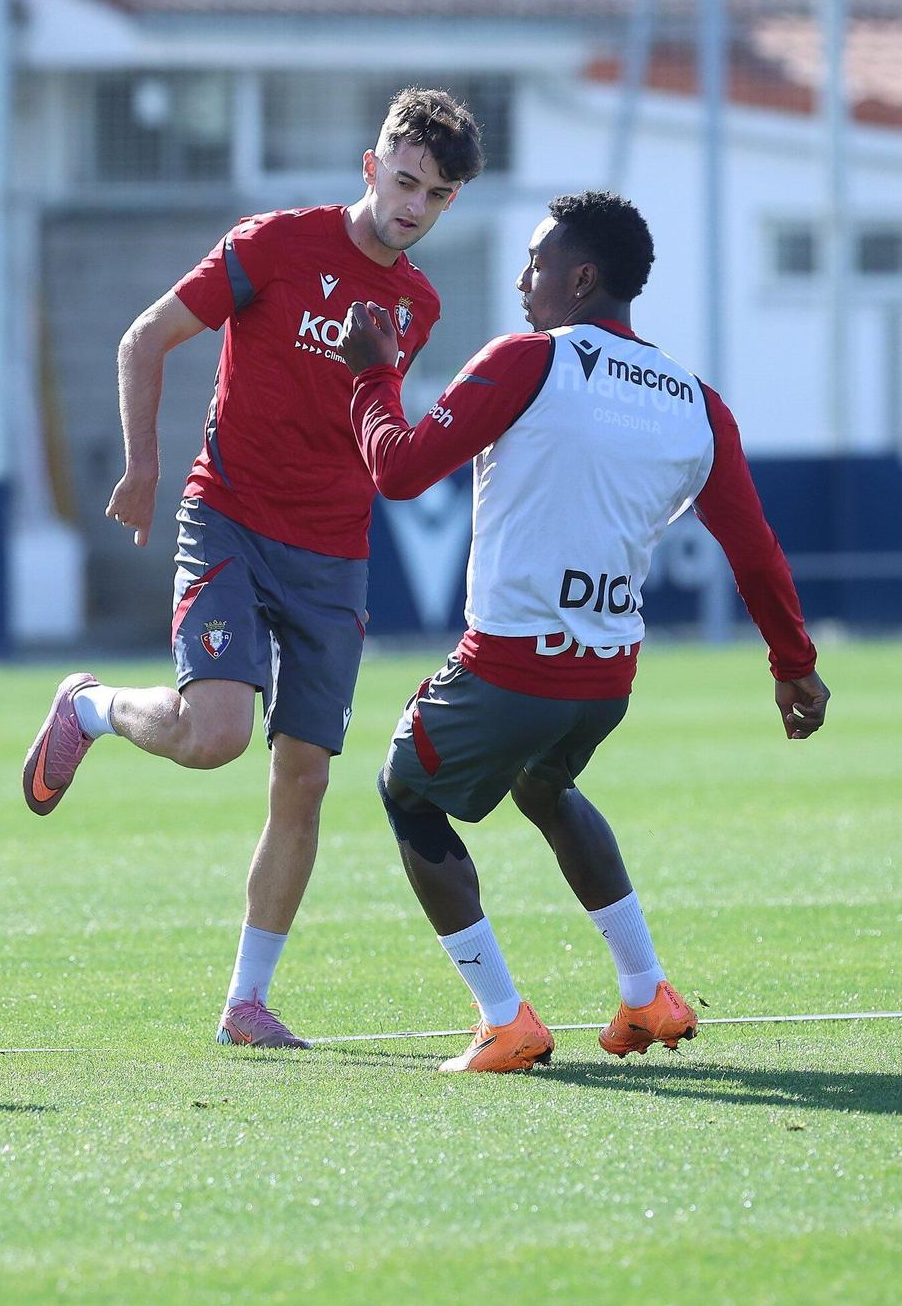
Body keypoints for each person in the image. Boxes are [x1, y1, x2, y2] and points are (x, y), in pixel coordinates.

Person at [22, 88, 485, 1048]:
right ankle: (89, 708)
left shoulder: (420, 304)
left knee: (304, 779)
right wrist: (143, 466)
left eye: (436, 195)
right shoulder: (274, 243)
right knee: (215, 736)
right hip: (229, 517)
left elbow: (369, 421)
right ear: (372, 166)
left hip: (334, 552)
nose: (414, 206)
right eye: (405, 181)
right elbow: (144, 337)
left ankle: (246, 1003)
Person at [338, 190, 828, 1072]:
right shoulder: (697, 401)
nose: (523, 279)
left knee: (405, 791)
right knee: (544, 784)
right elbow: (754, 549)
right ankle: (645, 993)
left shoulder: (527, 360)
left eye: (537, 261)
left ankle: (503, 1019)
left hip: (509, 667)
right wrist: (793, 662)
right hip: (606, 678)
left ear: (582, 278)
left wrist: (373, 375)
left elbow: (400, 470)